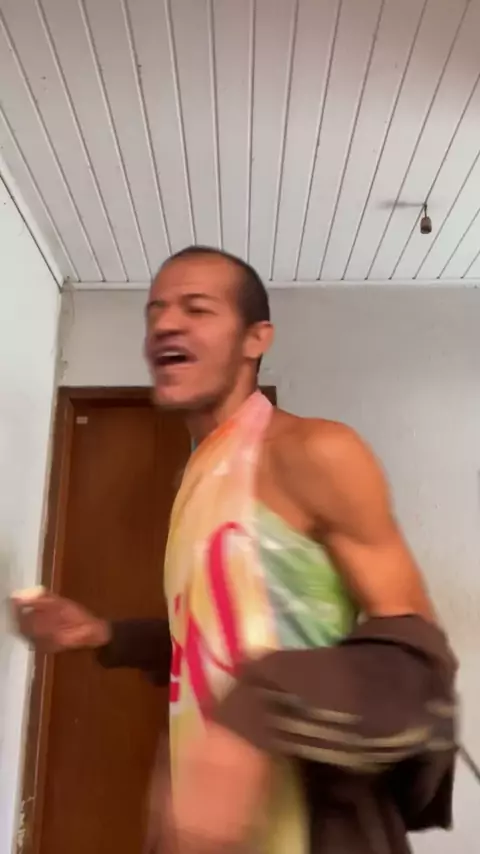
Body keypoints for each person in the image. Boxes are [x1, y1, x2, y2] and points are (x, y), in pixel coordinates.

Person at [12, 246, 457, 854]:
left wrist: (252, 712)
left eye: (196, 309)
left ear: (256, 338)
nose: (166, 324)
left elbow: (421, 669)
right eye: (156, 311)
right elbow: (221, 640)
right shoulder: (195, 476)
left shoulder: (316, 452)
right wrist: (102, 635)